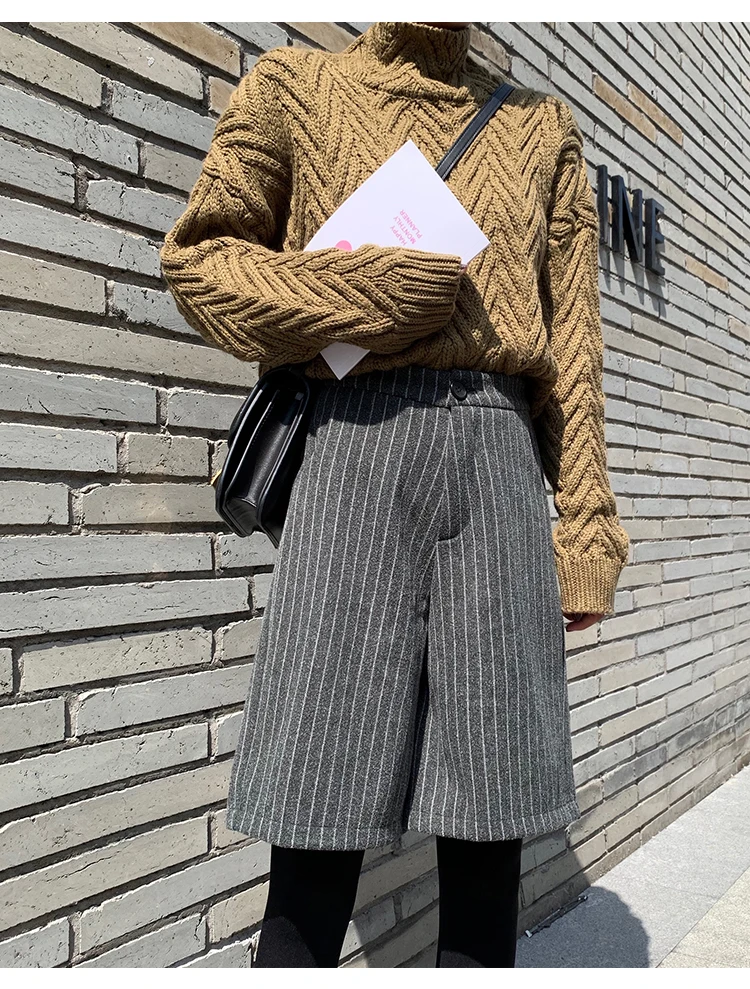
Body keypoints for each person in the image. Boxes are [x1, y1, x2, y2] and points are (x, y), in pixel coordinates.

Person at [160, 20, 630, 968]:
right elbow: (199, 261)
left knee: (491, 808)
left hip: (497, 460)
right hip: (351, 454)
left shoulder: (542, 127)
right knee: (316, 796)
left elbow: (572, 345)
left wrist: (586, 521)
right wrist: (364, 294)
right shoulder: (295, 86)